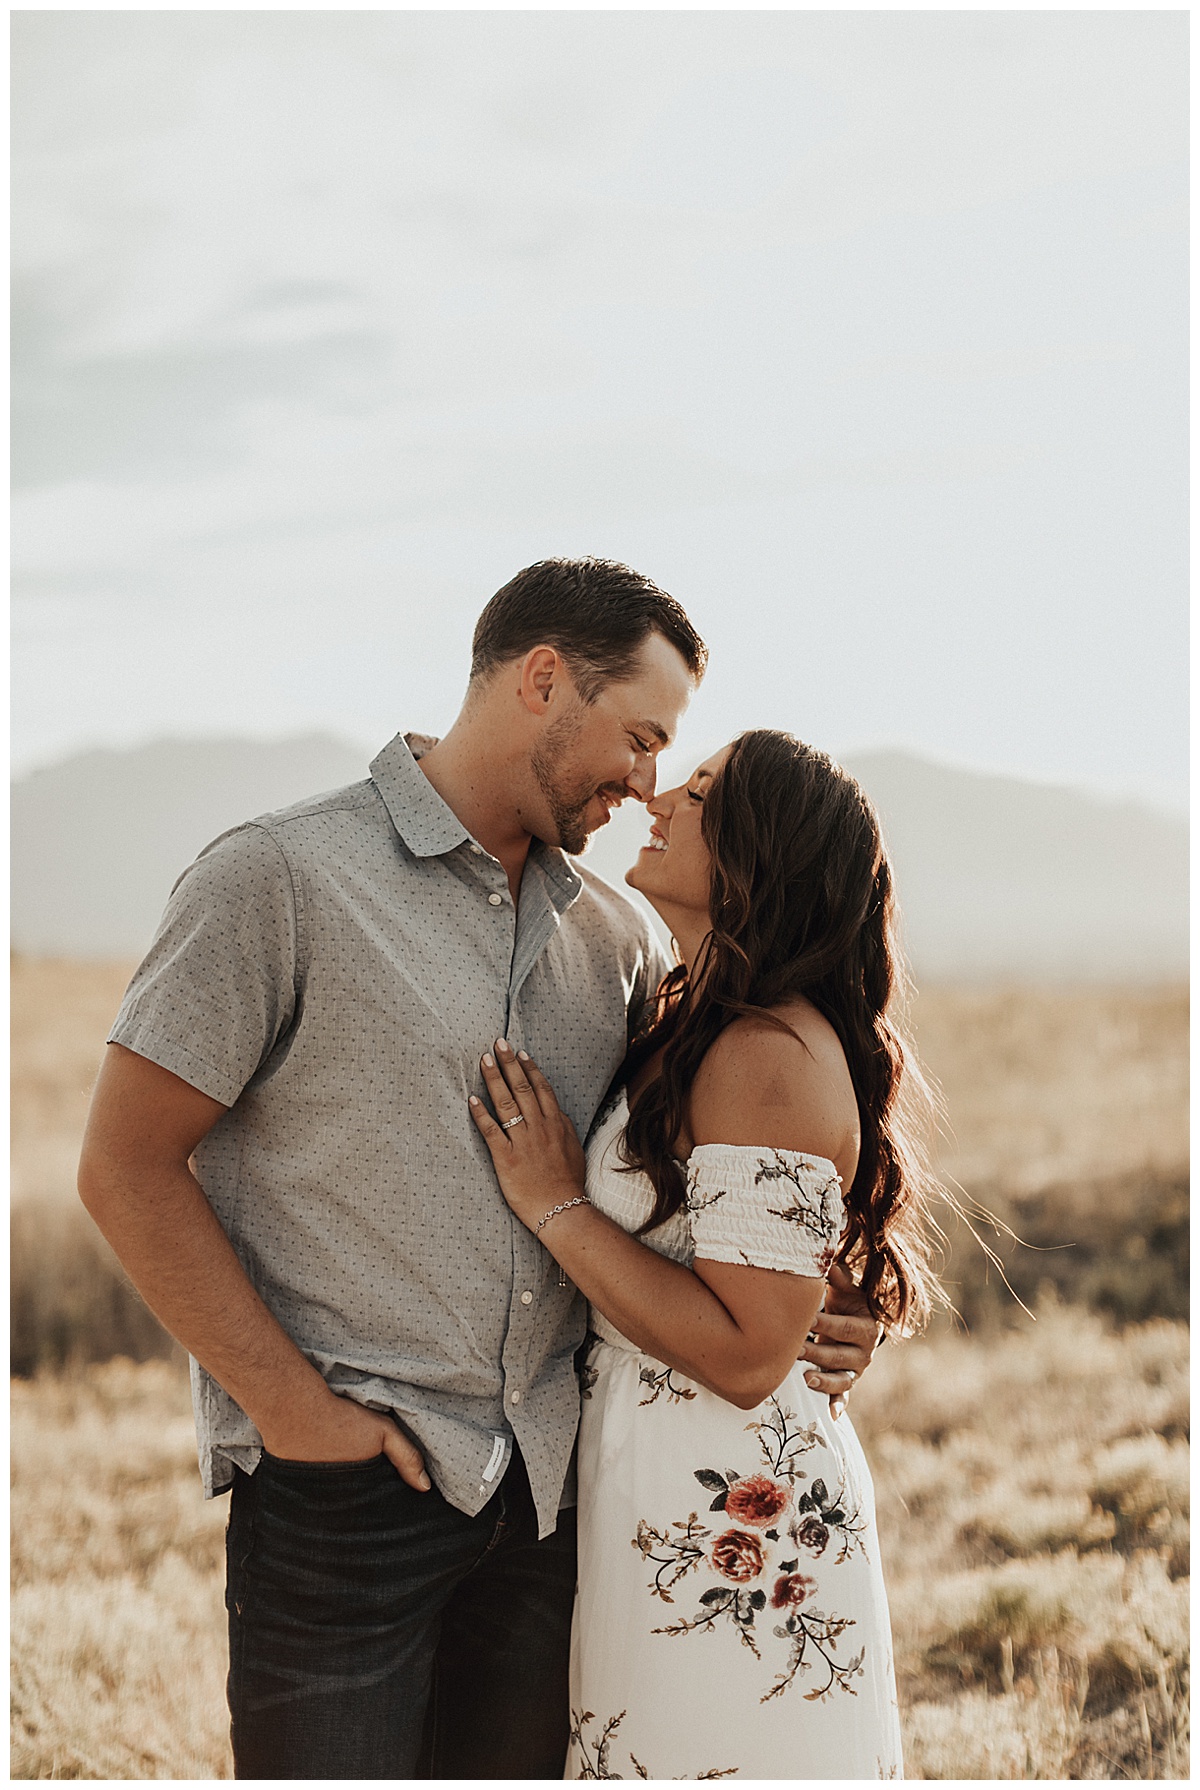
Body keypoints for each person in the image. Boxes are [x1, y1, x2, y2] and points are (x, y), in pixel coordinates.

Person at [77, 559, 882, 1781]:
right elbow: (124, 1165)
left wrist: (817, 1314)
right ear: (543, 678)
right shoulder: (279, 878)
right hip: (345, 1497)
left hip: (552, 1514)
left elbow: (706, 1197)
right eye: (640, 736)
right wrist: (296, 1416)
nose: (647, 780)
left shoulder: (618, 943)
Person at [470, 730, 941, 1780]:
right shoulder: (709, 1021)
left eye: (705, 788)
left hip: (724, 1503)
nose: (662, 794)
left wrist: (554, 1203)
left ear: (757, 852)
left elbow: (743, 1353)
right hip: (675, 1486)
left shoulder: (764, 1053)